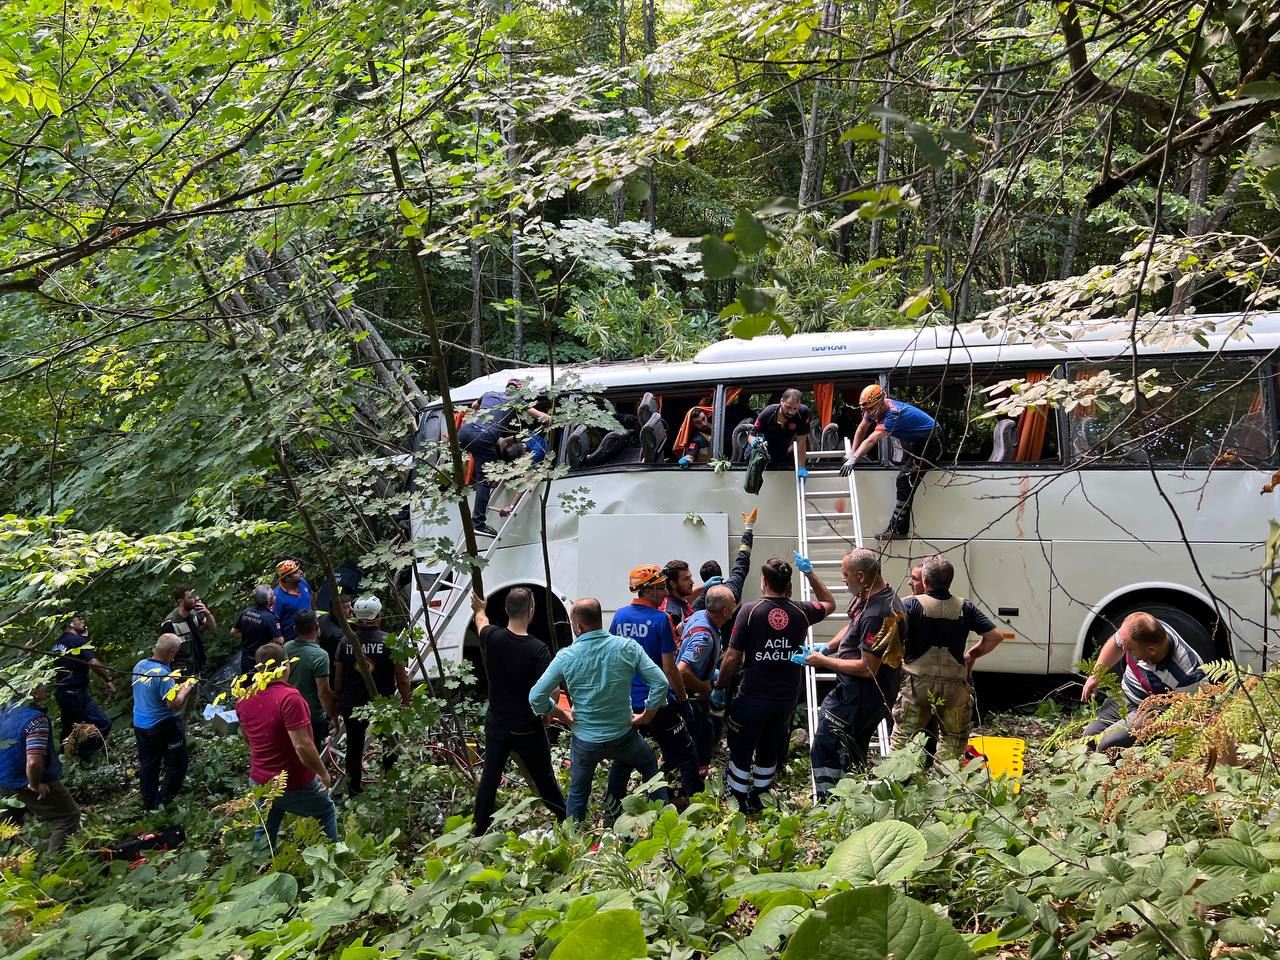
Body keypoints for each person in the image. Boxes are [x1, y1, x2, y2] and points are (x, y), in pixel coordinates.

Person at [712, 555, 835, 812]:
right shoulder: (801, 611)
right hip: (785, 699)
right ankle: (761, 799)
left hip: (752, 697)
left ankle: (737, 799)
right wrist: (810, 573)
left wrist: (720, 686)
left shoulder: (749, 611)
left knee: (741, 749)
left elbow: (733, 656)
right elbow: (829, 603)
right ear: (788, 584)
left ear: (764, 581)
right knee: (769, 750)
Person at [528, 598, 669, 822]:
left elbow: (536, 696)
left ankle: (574, 842)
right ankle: (663, 820)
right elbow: (660, 682)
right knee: (649, 765)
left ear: (578, 626)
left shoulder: (566, 656)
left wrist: (561, 714)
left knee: (578, 791)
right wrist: (648, 714)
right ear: (599, 620)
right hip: (624, 734)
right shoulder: (627, 647)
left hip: (585, 741)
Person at [805, 549, 904, 798]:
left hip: (859, 697)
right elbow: (852, 625)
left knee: (825, 747)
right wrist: (829, 646)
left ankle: (828, 803)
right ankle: (852, 798)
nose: (843, 579)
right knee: (852, 748)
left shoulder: (878, 612)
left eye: (845, 574)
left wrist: (824, 661)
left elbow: (867, 667)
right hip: (865, 695)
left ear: (861, 575)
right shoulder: (874, 596)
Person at [470, 589, 569, 834]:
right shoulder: (538, 649)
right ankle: (567, 821)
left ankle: (478, 830)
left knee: (490, 778)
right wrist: (546, 714)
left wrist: (479, 608)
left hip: (498, 724)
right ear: (531, 612)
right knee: (545, 779)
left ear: (506, 610)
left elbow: (481, 622)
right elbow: (554, 690)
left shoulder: (492, 638)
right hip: (528, 726)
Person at [890, 555, 1005, 760]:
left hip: (916, 686)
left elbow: (891, 637)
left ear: (925, 581)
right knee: (953, 739)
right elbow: (995, 637)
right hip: (954, 688)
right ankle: (942, 781)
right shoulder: (965, 608)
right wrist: (971, 655)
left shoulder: (910, 606)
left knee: (903, 739)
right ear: (949, 581)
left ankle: (896, 784)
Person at [610, 566, 703, 800]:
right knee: (685, 750)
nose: (664, 592)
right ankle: (697, 803)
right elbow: (670, 669)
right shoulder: (661, 620)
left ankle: (612, 806)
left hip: (627, 702)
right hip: (657, 702)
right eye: (660, 587)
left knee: (623, 757)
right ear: (648, 590)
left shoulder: (619, 616)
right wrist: (683, 701)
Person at [236, 642, 337, 850]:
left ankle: (260, 870)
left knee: (264, 827)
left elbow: (248, 737)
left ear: (258, 669)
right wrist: (323, 773)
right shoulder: (289, 698)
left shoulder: (245, 696)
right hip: (292, 781)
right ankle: (334, 860)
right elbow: (302, 746)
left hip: (259, 778)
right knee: (325, 810)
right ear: (286, 666)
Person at [1081, 611, 1206, 751]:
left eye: (1130, 650)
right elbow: (1117, 643)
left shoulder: (1187, 675)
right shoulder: (1142, 632)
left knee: (1107, 745)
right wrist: (1096, 674)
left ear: (1151, 651)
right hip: (1125, 696)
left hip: (1154, 711)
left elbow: (1187, 716)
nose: (1125, 651)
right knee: (1089, 737)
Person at [333, 596, 411, 796]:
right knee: (389, 743)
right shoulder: (391, 642)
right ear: (378, 616)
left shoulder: (345, 641)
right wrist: (406, 700)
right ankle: (391, 786)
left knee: (354, 745)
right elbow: (402, 678)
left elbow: (338, 678)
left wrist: (339, 700)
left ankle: (353, 788)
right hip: (382, 703)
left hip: (352, 703)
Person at [843, 384, 941, 541]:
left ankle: (898, 529)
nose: (869, 414)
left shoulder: (892, 415)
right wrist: (852, 454)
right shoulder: (875, 407)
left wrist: (854, 459)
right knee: (906, 475)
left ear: (881, 403)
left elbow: (871, 439)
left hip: (931, 441)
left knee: (904, 479)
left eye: (871, 410)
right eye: (866, 410)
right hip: (917, 439)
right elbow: (861, 429)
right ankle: (899, 527)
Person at [458, 379, 552, 537]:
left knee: (479, 460)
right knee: (484, 480)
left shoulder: (489, 394)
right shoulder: (517, 401)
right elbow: (543, 418)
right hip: (483, 437)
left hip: (464, 433)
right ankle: (478, 523)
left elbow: (474, 406)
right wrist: (552, 419)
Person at [0, 685, 81, 852]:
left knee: (6, 825)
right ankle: (55, 868)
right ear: (33, 691)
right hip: (23, 779)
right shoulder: (35, 720)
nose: (47, 687)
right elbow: (34, 763)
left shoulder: (5, 708)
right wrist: (35, 784)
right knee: (67, 817)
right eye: (42, 685)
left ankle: (9, 867)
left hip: (3, 778)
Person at [677, 585, 736, 769]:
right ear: (726, 611)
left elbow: (680, 628)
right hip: (692, 696)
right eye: (733, 605)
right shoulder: (704, 637)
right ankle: (688, 781)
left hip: (694, 691)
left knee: (707, 733)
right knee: (695, 740)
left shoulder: (699, 614)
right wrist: (704, 687)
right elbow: (682, 671)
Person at [131, 634, 193, 809]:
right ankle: (164, 801)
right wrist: (186, 688)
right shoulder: (163, 674)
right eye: (176, 652)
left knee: (149, 764)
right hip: (163, 725)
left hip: (141, 723)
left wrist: (175, 687)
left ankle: (149, 802)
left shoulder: (140, 665)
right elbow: (173, 703)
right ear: (171, 651)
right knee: (177, 763)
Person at [50, 614, 114, 759]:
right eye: (80, 620)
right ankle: (83, 754)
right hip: (75, 692)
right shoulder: (77, 641)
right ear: (72, 623)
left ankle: (64, 759)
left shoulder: (57, 644)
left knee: (68, 729)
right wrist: (107, 679)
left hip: (62, 692)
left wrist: (85, 638)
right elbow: (93, 662)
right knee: (103, 724)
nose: (84, 622)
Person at [285, 609, 337, 748]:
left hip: (288, 711)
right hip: (312, 715)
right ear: (316, 627)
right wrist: (333, 715)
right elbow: (323, 693)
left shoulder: (285, 648)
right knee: (311, 752)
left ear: (295, 628)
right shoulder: (320, 655)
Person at [692, 509, 757, 613]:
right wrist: (748, 528)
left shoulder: (701, 603)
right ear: (721, 574)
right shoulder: (734, 585)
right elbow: (743, 559)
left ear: (705, 580)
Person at [161, 584, 217, 686]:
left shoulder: (194, 614)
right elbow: (164, 653)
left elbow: (213, 628)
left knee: (194, 701)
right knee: (182, 701)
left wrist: (207, 613)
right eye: (190, 597)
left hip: (196, 670)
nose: (195, 599)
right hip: (181, 675)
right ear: (180, 601)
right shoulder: (170, 623)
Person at [748, 388, 812, 467]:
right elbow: (751, 436)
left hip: (785, 452)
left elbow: (801, 442)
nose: (791, 412)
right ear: (781, 401)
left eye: (795, 409)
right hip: (764, 452)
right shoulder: (768, 412)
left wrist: (801, 467)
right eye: (788, 407)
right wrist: (754, 442)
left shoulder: (803, 413)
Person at [232, 585, 284, 677]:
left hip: (246, 658)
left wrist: (250, 636)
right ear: (268, 601)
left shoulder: (246, 612)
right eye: (273, 595)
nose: (275, 597)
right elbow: (279, 640)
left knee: (248, 685)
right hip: (263, 659)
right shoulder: (270, 618)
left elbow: (234, 631)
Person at [273, 559, 313, 643]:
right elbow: (275, 621)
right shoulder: (278, 596)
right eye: (296, 572)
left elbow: (310, 599)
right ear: (287, 578)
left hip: (311, 635)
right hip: (292, 641)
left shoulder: (303, 583)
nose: (301, 572)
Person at [318, 593, 353, 679]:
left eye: (351, 605)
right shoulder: (337, 635)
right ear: (336, 610)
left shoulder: (322, 618)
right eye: (346, 607)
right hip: (332, 672)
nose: (351, 609)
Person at [660, 560, 697, 634]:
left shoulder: (681, 600)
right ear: (673, 583)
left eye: (690, 577)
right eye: (686, 579)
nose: (692, 582)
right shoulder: (671, 613)